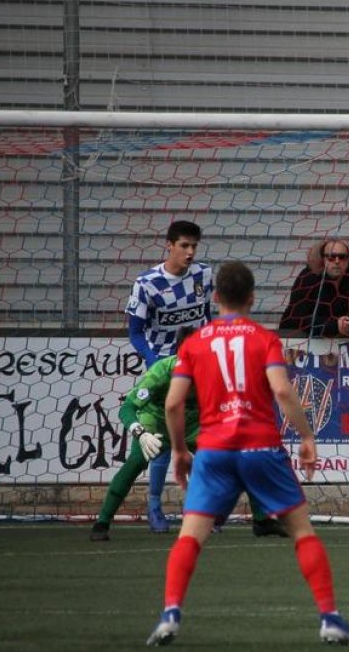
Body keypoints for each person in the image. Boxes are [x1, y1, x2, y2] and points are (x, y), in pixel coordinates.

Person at [147, 261, 349, 646]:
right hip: (261, 447)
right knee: (301, 532)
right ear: (251, 298)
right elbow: (282, 391)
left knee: (191, 536)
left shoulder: (194, 343)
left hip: (213, 451)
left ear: (215, 298)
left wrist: (180, 450)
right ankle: (329, 617)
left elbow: (174, 404)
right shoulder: (265, 339)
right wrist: (307, 435)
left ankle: (170, 614)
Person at [90, 329, 285, 542]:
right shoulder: (161, 371)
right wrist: (140, 432)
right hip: (156, 422)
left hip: (194, 425)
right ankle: (102, 522)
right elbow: (126, 408)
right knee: (136, 461)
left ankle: (262, 521)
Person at [125, 220, 213, 533]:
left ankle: (203, 510)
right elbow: (134, 332)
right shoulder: (147, 282)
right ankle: (154, 506)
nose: (190, 252)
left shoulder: (204, 274)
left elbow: (206, 316)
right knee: (162, 440)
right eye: (184, 246)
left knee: (206, 438)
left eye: (194, 246)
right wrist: (153, 361)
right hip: (165, 366)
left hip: (201, 366)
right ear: (169, 245)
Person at [279, 238, 349, 338]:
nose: (337, 261)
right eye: (331, 257)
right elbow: (296, 319)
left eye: (342, 257)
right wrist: (335, 326)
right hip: (302, 342)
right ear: (322, 259)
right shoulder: (308, 279)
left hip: (344, 344)